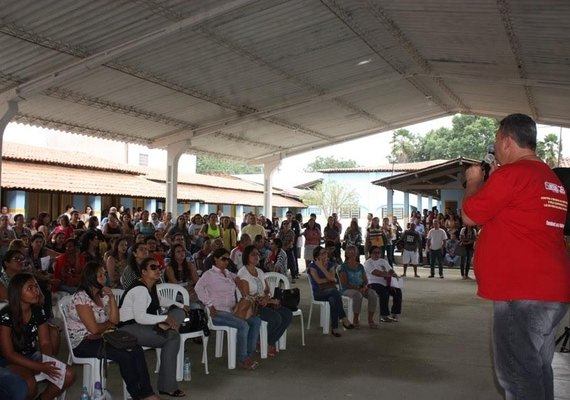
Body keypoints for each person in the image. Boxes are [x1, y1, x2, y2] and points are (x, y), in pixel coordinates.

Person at [462, 113, 570, 400]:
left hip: (521, 294)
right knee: (537, 371)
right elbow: (520, 217)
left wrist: (474, 180)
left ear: (507, 141)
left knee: (518, 379)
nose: (495, 147)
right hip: (550, 292)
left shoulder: (513, 175)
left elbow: (469, 214)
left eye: (497, 140)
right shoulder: (550, 180)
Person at [66, 262, 160, 400]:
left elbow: (115, 321)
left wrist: (110, 298)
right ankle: (138, 395)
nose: (105, 277)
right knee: (124, 356)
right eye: (100, 275)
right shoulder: (81, 297)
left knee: (136, 349)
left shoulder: (101, 295)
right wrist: (109, 324)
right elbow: (94, 329)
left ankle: (147, 392)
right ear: (91, 278)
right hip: (83, 342)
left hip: (101, 338)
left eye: (104, 274)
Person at [119, 257, 187, 398]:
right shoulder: (140, 289)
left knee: (179, 313)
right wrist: (165, 318)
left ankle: (166, 327)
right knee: (173, 337)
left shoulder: (151, 286)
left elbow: (162, 300)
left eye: (159, 267)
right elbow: (140, 317)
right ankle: (167, 387)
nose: (158, 270)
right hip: (129, 328)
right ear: (143, 272)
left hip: (144, 325)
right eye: (153, 267)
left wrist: (181, 306)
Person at [0, 273, 75, 399]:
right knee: (30, 385)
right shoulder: (6, 315)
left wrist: (48, 360)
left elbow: (45, 342)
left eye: (36, 286)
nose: (36, 291)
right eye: (30, 288)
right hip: (8, 361)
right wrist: (41, 367)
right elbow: (9, 353)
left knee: (68, 374)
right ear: (18, 292)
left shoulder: (38, 311)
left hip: (31, 355)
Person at [195, 247, 262, 370]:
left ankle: (249, 353)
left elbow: (238, 278)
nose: (226, 262)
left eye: (227, 259)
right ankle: (243, 358)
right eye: (223, 259)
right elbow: (198, 288)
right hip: (217, 312)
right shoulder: (209, 275)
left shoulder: (227, 273)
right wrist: (209, 304)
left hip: (231, 311)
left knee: (256, 321)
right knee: (243, 325)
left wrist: (239, 284)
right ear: (215, 259)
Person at [237, 245, 292, 357]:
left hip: (264, 302)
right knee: (276, 318)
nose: (256, 256)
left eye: (258, 254)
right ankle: (263, 342)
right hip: (252, 306)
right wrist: (266, 301)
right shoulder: (243, 274)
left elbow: (267, 290)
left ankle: (268, 342)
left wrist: (267, 298)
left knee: (287, 314)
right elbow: (246, 296)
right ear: (246, 256)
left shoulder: (259, 271)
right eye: (253, 254)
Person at [307, 246, 354, 337]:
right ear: (317, 257)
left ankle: (335, 328)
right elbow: (319, 281)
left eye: (325, 252)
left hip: (330, 291)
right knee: (334, 292)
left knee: (333, 298)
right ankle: (343, 318)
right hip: (318, 292)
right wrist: (322, 269)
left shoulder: (330, 265)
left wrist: (323, 269)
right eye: (322, 253)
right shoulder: (312, 266)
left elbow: (332, 278)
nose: (325, 255)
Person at [338, 245, 378, 328]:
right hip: (347, 289)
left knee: (373, 294)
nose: (352, 254)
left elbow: (365, 280)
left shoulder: (360, 266)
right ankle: (355, 319)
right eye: (350, 252)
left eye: (354, 252)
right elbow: (344, 283)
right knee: (357, 295)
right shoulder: (343, 267)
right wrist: (358, 289)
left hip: (361, 287)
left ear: (357, 253)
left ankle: (370, 319)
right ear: (346, 254)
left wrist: (364, 287)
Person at [364, 246, 402, 322]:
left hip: (386, 282)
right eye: (375, 253)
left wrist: (394, 274)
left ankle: (395, 313)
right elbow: (376, 273)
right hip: (373, 283)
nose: (377, 254)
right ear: (370, 254)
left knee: (398, 292)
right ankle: (384, 315)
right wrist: (388, 275)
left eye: (379, 253)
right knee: (384, 294)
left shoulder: (383, 261)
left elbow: (390, 270)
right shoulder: (368, 262)